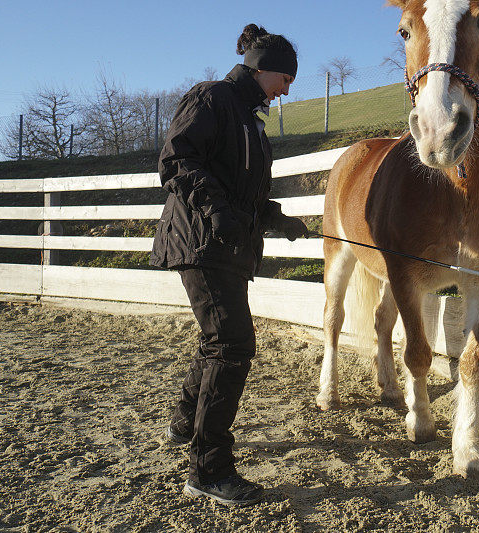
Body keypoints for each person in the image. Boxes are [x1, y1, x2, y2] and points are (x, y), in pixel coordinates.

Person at [150, 23, 308, 506]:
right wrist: (214, 210)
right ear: (265, 70)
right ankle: (208, 469)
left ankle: (184, 422)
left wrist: (277, 218)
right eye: (286, 79)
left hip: (227, 248)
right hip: (201, 241)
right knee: (233, 344)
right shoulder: (213, 98)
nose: (286, 91)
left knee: (218, 339)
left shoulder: (250, 119)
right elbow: (177, 159)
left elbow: (245, 191)